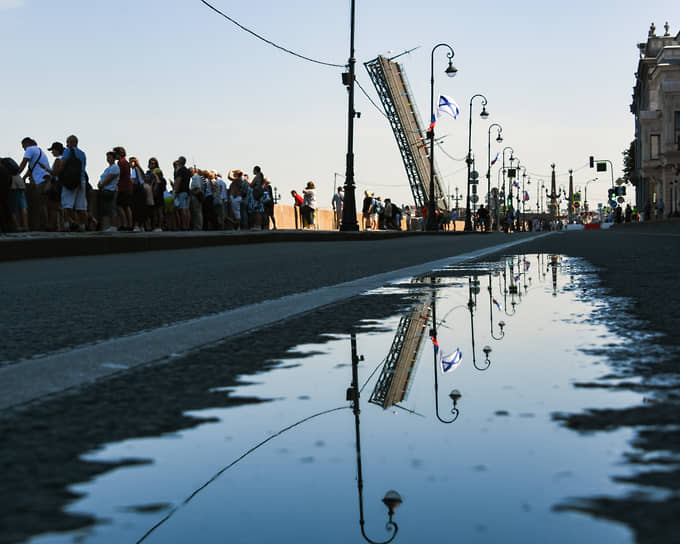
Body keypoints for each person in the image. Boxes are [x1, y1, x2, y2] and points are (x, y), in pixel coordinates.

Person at [16, 137, 52, 230]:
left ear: (27, 144)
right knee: (44, 203)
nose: (23, 149)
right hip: (46, 179)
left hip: (40, 180)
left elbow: (23, 163)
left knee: (40, 203)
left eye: (23, 146)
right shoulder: (39, 150)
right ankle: (47, 224)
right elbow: (31, 168)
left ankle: (44, 225)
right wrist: (23, 178)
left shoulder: (30, 149)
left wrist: (16, 174)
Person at [97, 151, 120, 231]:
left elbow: (109, 178)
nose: (108, 159)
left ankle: (114, 226)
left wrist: (102, 184)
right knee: (107, 209)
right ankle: (110, 225)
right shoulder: (108, 168)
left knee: (111, 208)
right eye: (107, 157)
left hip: (111, 190)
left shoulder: (115, 167)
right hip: (105, 190)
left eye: (110, 157)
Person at [113, 147, 132, 231]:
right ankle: (129, 224)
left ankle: (124, 224)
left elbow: (119, 175)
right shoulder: (126, 162)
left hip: (123, 187)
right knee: (126, 206)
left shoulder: (121, 163)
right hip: (128, 187)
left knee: (120, 206)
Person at [174, 156, 191, 230]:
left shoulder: (180, 171)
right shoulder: (187, 171)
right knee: (187, 209)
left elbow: (178, 181)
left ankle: (184, 226)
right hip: (187, 191)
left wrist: (176, 191)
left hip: (181, 192)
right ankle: (187, 225)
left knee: (183, 209)